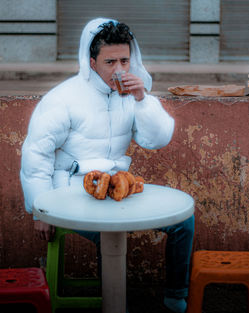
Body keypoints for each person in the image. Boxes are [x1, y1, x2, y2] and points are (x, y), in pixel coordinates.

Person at [20, 18, 194, 313]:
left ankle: (175, 298)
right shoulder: (63, 98)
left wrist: (142, 99)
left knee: (182, 222)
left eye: (124, 60)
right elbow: (36, 152)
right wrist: (39, 209)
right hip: (69, 190)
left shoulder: (132, 95)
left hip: (115, 187)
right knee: (108, 233)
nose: (119, 70)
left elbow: (158, 139)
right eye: (109, 61)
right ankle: (112, 304)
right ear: (91, 62)